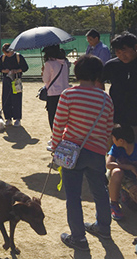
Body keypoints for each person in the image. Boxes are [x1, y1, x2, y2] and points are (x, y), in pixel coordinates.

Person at [51, 54, 114, 251]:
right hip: (96, 153)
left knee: (73, 196)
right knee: (100, 192)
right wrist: (102, 150)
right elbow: (108, 129)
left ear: (76, 73)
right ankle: (103, 228)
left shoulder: (68, 95)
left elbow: (58, 124)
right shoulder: (106, 98)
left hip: (72, 152)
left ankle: (78, 238)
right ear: (98, 75)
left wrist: (55, 148)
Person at [102, 31, 137, 141]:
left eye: (125, 51)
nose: (122, 55)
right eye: (118, 52)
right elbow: (98, 82)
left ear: (135, 47)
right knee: (116, 147)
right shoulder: (111, 65)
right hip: (117, 116)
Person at [42, 45, 70, 150]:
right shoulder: (64, 63)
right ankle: (63, 138)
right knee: (64, 117)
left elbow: (45, 79)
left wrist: (43, 71)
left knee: (53, 117)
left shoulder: (49, 64)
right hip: (65, 92)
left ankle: (55, 140)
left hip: (53, 93)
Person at [106, 124, 137, 221]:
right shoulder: (116, 148)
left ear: (121, 141)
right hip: (121, 176)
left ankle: (125, 194)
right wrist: (129, 167)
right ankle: (114, 204)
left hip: (133, 179)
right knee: (116, 172)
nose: (112, 140)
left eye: (113, 138)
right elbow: (108, 164)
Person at [0, 43, 29, 127]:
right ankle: (8, 118)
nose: (6, 54)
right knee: (6, 98)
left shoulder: (18, 56)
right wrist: (5, 71)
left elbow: (25, 68)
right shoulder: (2, 57)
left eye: (7, 52)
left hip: (16, 80)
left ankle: (17, 119)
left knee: (17, 99)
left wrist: (16, 70)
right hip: (6, 80)